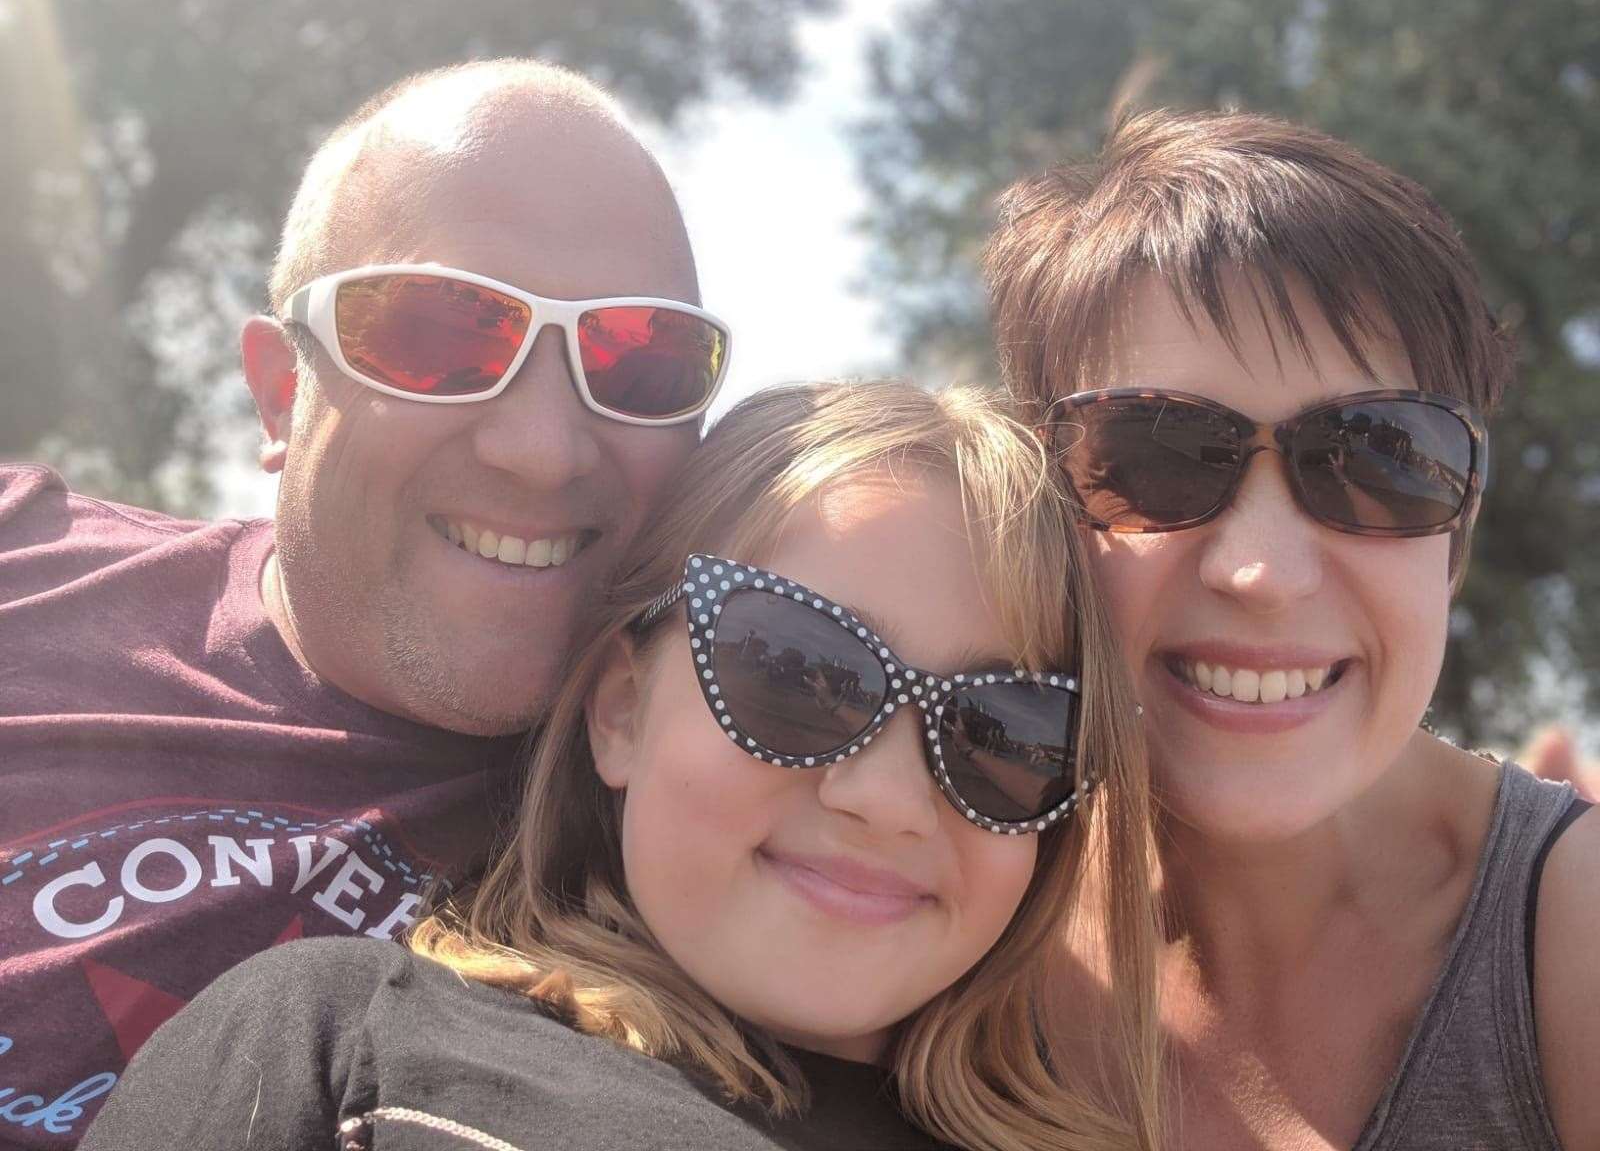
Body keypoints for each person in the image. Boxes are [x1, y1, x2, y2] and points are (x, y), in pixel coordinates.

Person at [79, 381, 1165, 1151]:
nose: (885, 798)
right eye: (799, 670)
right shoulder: (337, 1045)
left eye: (1003, 734)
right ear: (621, 711)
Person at [0, 59, 730, 1147]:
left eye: (640, 361)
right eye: (439, 336)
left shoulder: (741, 814)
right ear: (282, 391)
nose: (540, 449)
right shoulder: (23, 558)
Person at [985, 109, 1600, 1149]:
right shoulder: (937, 908)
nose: (1260, 573)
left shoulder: (1571, 939)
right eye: (1152, 455)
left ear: (1458, 524)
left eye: (1380, 457)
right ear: (1037, 508)